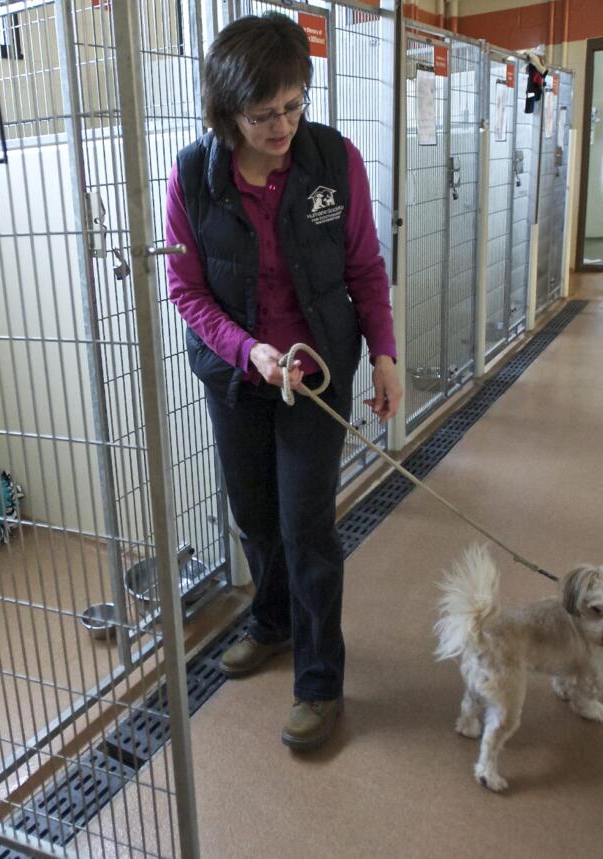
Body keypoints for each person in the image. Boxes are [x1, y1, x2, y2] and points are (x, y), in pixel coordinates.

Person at [164, 13, 402, 750]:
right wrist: (246, 352)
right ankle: (271, 622)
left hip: (318, 370)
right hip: (238, 377)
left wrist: (386, 352)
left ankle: (320, 678)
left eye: (295, 105)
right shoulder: (192, 179)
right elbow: (186, 290)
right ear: (226, 112)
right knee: (255, 517)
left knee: (307, 526)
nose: (284, 124)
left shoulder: (335, 160)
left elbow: (363, 265)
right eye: (264, 113)